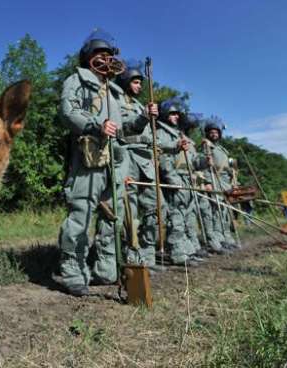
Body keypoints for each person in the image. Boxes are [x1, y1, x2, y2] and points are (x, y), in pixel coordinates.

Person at [56, 29, 132, 297]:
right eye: (100, 54)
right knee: (81, 214)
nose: (106, 59)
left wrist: (146, 118)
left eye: (109, 55)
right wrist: (95, 125)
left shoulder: (116, 91)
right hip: (89, 157)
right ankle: (73, 270)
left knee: (113, 217)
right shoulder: (77, 80)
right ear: (89, 57)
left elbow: (128, 125)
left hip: (116, 160)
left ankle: (106, 268)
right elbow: (68, 111)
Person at [114, 59, 162, 272]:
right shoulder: (117, 102)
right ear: (125, 82)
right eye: (135, 81)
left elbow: (151, 136)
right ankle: (132, 259)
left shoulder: (141, 106)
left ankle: (148, 255)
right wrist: (143, 118)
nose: (139, 86)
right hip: (129, 159)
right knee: (130, 213)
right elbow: (124, 130)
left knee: (157, 207)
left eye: (141, 82)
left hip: (146, 162)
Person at [156, 105, 210, 266]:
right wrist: (173, 180)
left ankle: (188, 250)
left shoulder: (182, 136)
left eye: (177, 114)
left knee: (188, 217)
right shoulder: (161, 133)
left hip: (188, 180)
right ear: (166, 115)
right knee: (176, 217)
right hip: (176, 180)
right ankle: (178, 252)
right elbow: (163, 158)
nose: (176, 117)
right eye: (172, 114)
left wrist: (203, 162)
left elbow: (193, 161)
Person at [199, 117, 240, 251]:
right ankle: (218, 239)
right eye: (211, 132)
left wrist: (234, 182)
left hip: (225, 183)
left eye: (216, 131)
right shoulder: (206, 145)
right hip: (214, 181)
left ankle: (226, 236)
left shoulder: (222, 149)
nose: (214, 134)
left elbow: (229, 170)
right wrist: (207, 182)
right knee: (215, 212)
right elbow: (204, 164)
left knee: (225, 212)